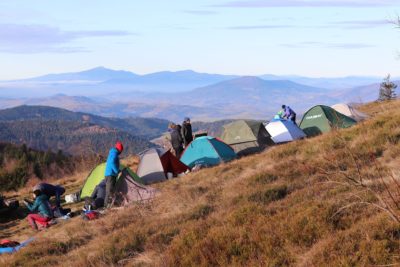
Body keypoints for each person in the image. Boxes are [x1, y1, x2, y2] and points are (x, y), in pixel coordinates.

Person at [104, 141, 123, 208]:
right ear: (120, 150)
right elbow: (112, 162)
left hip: (110, 174)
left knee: (111, 190)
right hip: (110, 175)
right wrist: (117, 171)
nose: (121, 153)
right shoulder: (114, 153)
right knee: (109, 191)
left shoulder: (113, 153)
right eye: (121, 151)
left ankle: (110, 205)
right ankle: (107, 207)